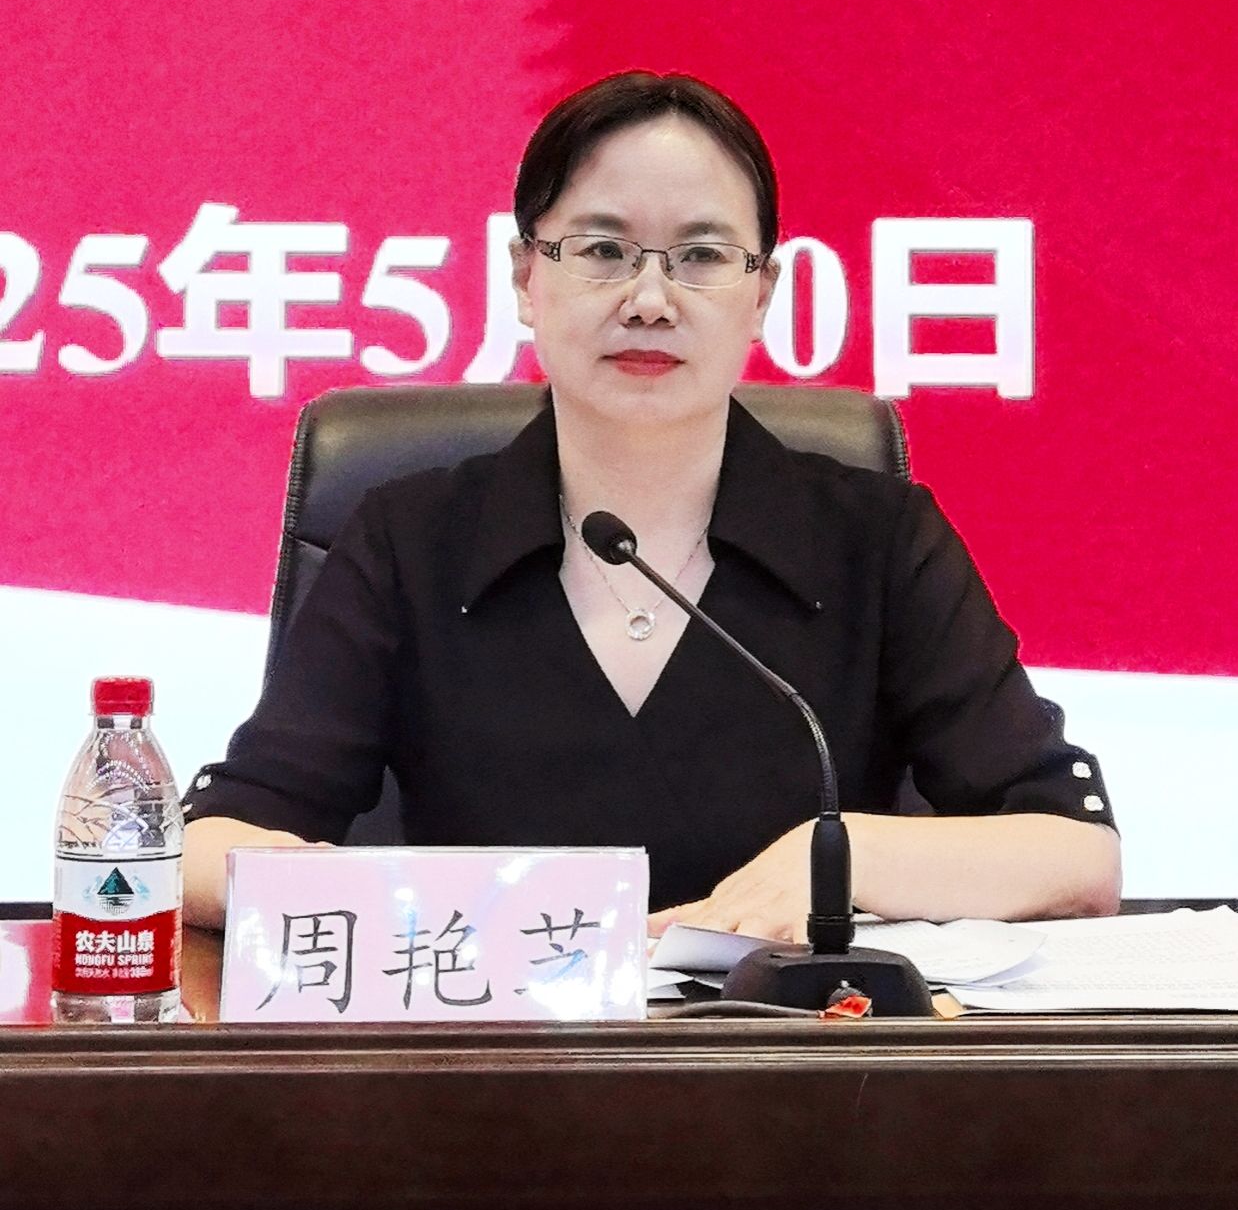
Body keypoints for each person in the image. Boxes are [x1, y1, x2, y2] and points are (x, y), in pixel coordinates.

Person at [182, 71, 1120, 934]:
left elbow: (1075, 856)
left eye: (702, 255)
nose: (650, 299)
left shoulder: (876, 541)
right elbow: (207, 845)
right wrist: (422, 905)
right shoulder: (410, 541)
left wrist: (844, 860)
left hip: (795, 1055)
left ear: (763, 294)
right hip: (492, 1049)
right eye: (602, 250)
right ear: (525, 278)